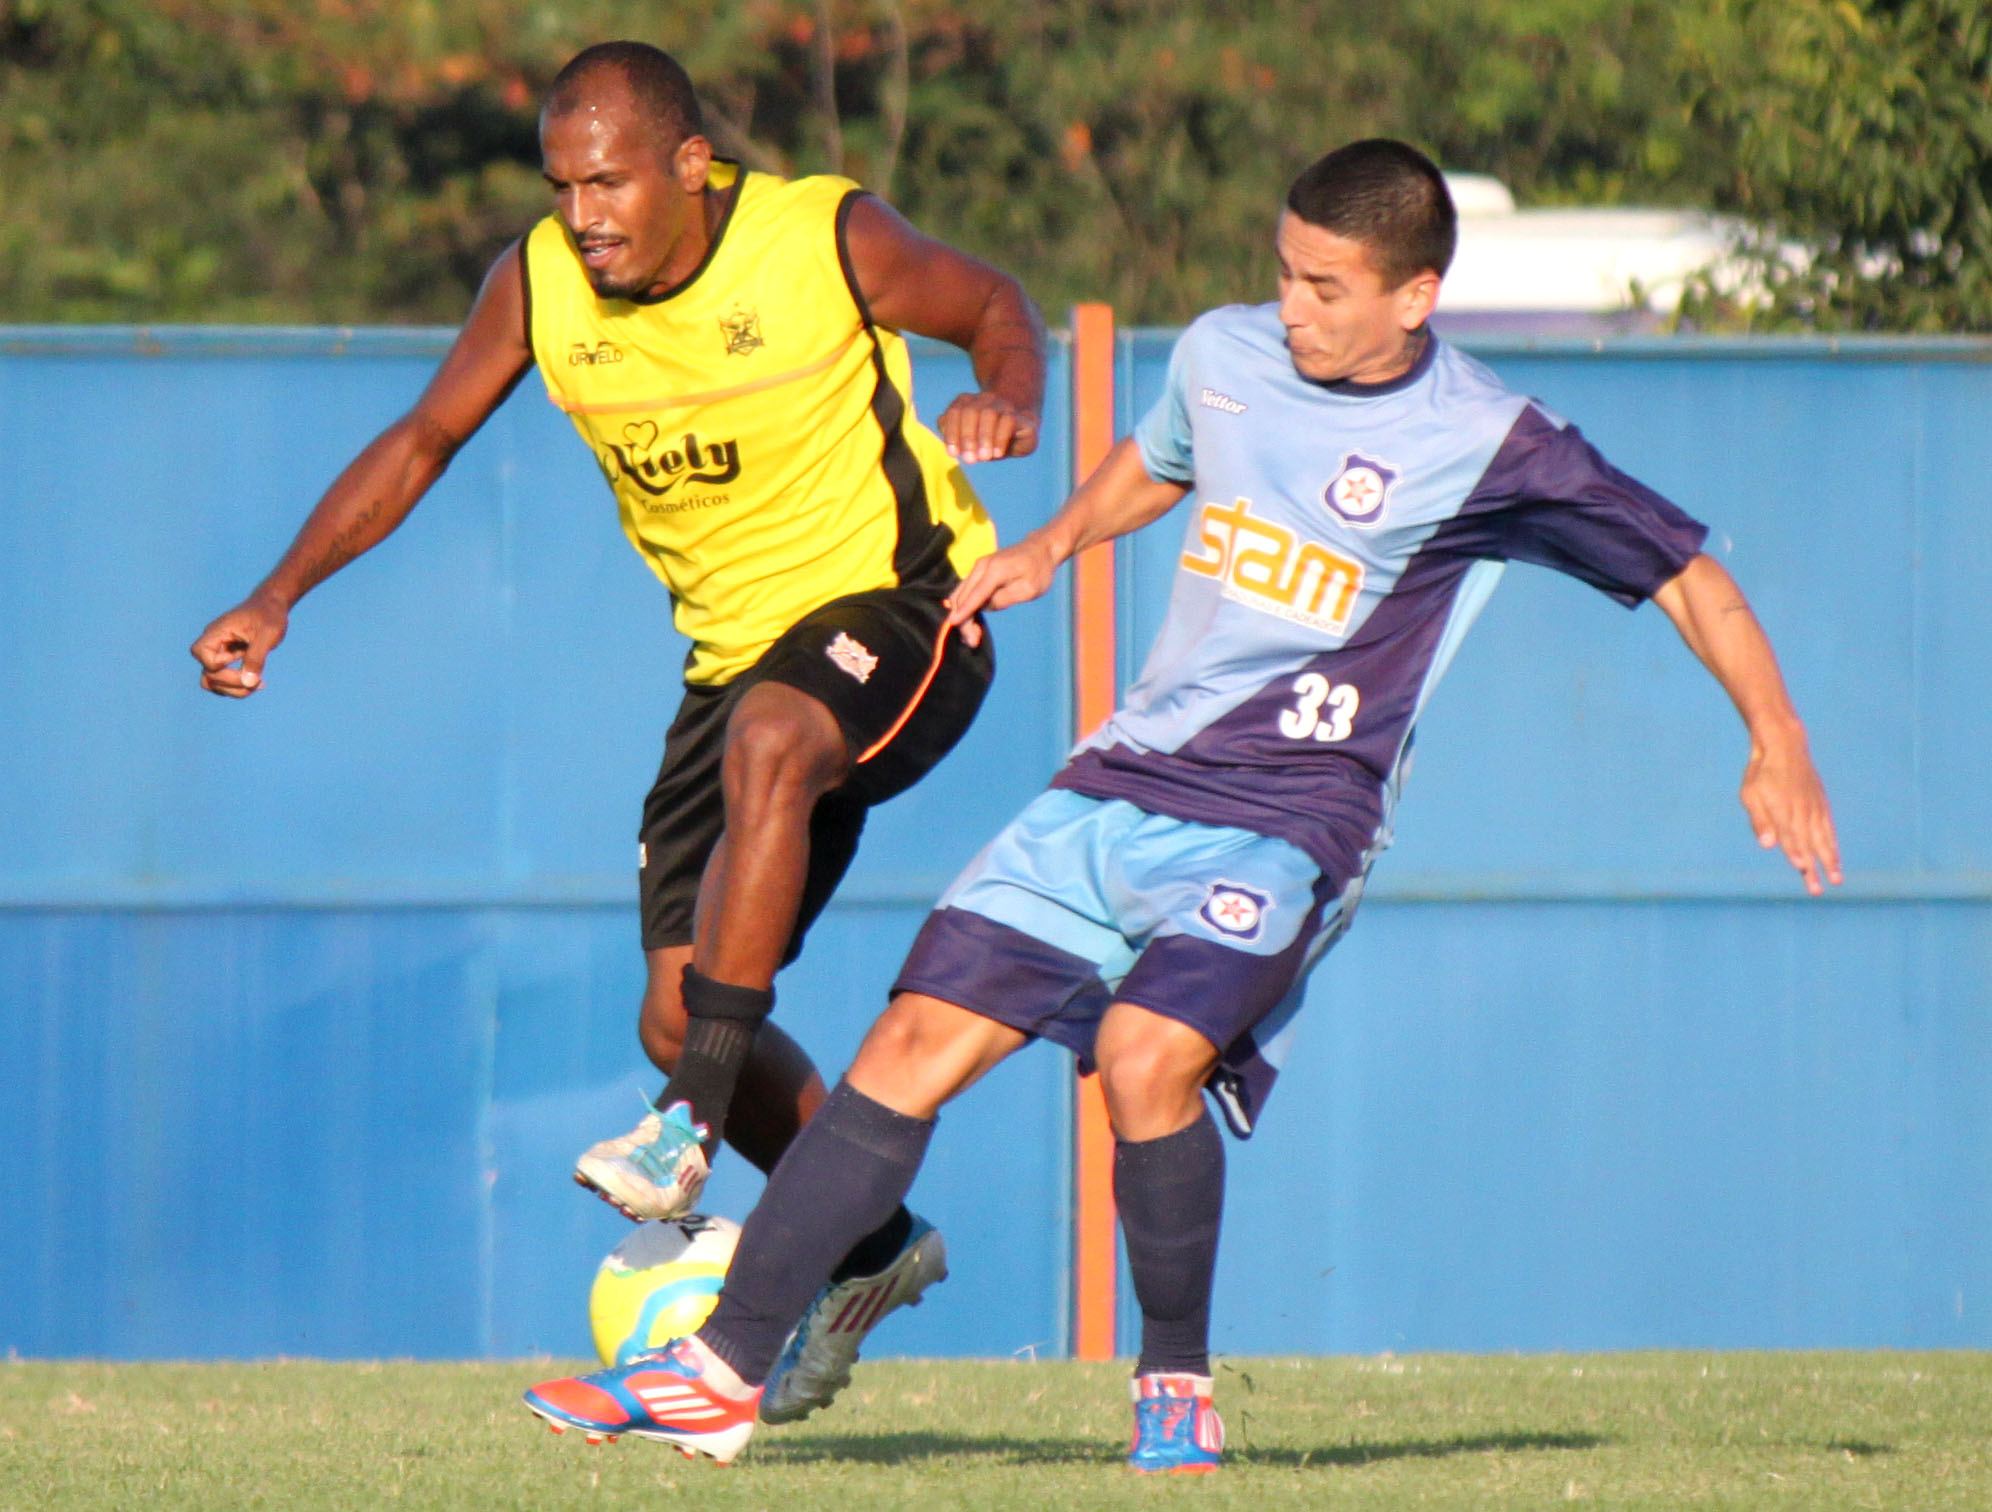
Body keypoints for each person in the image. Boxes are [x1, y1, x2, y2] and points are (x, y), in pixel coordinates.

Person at [520, 138, 1840, 1470]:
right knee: (908, 1041)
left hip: (1293, 816)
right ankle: (722, 1376)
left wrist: (1773, 737)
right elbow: (1159, 461)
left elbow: (1687, 576)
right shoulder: (1226, 353)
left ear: (1416, 298)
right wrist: (1051, 543)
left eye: (1328, 287)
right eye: (1284, 271)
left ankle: (1174, 1391)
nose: (1295, 307)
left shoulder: (1492, 443)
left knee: (1148, 1058)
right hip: (1122, 782)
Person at [190, 41, 1045, 1417]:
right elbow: (422, 439)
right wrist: (277, 597)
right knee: (676, 1010)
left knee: (774, 753)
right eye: (562, 184)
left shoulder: (820, 236)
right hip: (732, 666)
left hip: (911, 608)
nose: (584, 214)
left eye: (608, 182)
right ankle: (873, 1247)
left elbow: (996, 302)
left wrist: (1008, 391)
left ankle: (687, 1134)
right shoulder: (538, 284)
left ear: (690, 168)